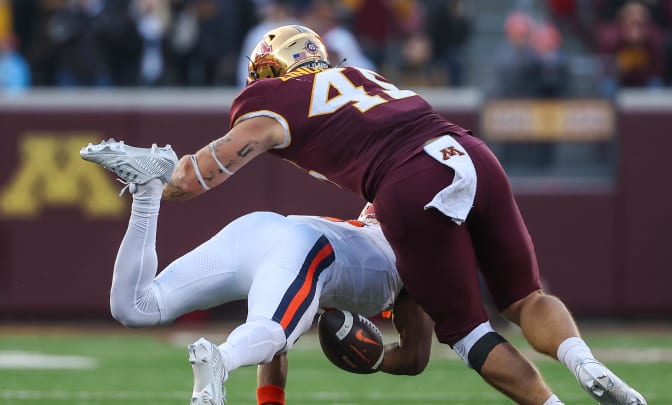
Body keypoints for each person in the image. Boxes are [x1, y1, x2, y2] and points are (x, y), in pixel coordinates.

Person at [99, 25, 647, 405]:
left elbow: (197, 177)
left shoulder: (274, 101)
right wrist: (375, 355)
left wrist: (162, 182)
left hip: (405, 184)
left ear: (271, 72)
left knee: (470, 333)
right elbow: (411, 354)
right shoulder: (361, 75)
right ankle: (584, 361)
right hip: (469, 151)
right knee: (526, 297)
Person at [81, 141, 562, 405]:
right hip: (309, 250)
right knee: (271, 328)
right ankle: (219, 362)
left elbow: (283, 340)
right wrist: (371, 359)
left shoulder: (376, 220)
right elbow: (415, 358)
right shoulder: (421, 250)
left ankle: (147, 189)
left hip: (262, 230)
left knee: (137, 307)